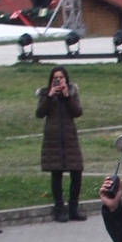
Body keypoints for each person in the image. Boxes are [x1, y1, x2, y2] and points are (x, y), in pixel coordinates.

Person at [37, 64, 85, 222]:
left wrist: (66, 96)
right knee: (56, 174)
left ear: (66, 79)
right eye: (55, 78)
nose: (58, 80)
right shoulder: (46, 94)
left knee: (76, 172)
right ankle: (59, 209)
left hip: (70, 138)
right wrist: (49, 96)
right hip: (53, 139)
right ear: (51, 80)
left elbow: (78, 112)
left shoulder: (72, 92)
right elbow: (40, 113)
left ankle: (73, 209)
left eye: (61, 77)